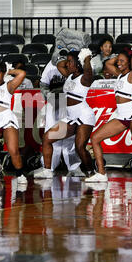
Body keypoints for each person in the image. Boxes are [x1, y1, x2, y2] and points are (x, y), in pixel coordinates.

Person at [87, 46, 132, 184]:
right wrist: (120, 55)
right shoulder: (119, 75)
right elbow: (107, 63)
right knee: (95, 138)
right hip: (121, 115)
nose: (118, 63)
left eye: (122, 61)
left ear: (129, 62)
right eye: (118, 60)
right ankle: (102, 174)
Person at [34, 49, 96, 178]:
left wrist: (86, 57)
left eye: (70, 62)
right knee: (47, 138)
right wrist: (66, 52)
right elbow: (59, 65)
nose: (67, 64)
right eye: (67, 61)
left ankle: (92, 173)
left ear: (78, 64)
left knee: (80, 147)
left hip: (83, 116)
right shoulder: (69, 75)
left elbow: (89, 71)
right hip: (70, 117)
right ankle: (47, 170)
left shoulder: (84, 78)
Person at [37, 57, 83, 176]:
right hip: (53, 100)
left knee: (69, 137)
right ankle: (49, 167)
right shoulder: (52, 64)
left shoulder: (74, 65)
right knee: (51, 134)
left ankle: (73, 167)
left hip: (69, 103)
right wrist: (48, 96)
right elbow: (43, 83)